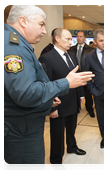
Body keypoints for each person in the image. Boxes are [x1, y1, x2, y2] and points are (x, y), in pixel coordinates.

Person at [4, 5, 94, 170]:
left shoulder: (18, 43)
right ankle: (57, 160)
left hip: (32, 120)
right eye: (41, 24)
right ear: (23, 21)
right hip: (21, 129)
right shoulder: (12, 45)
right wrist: (65, 83)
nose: (44, 30)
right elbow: (24, 92)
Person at [39, 28, 87, 170]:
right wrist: (51, 107)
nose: (70, 42)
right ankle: (56, 159)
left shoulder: (72, 55)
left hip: (73, 99)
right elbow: (46, 84)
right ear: (57, 39)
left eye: (71, 39)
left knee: (72, 127)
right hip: (59, 103)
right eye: (67, 39)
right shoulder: (46, 58)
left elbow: (76, 76)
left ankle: (72, 146)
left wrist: (81, 94)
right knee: (57, 133)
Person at [69, 31, 95, 118]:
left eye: (81, 36)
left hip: (85, 73)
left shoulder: (90, 49)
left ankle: (90, 108)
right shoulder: (71, 49)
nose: (79, 38)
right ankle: (77, 108)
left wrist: (92, 75)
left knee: (88, 92)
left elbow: (93, 63)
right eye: (77, 36)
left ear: (84, 38)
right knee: (76, 92)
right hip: (75, 74)